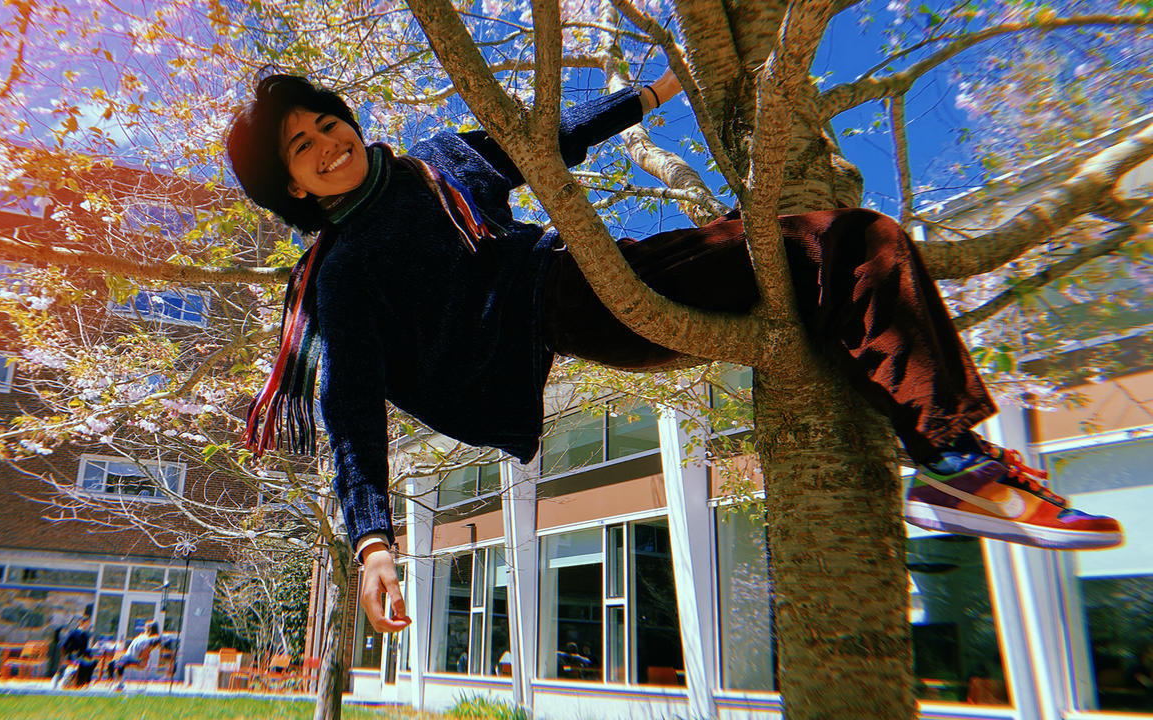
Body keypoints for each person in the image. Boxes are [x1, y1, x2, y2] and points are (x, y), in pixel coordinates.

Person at [226, 70, 1124, 634]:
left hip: (590, 272)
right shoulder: (339, 273)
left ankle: (944, 453)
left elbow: (548, 140)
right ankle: (955, 460)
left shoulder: (434, 161)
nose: (326, 143)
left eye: (324, 121)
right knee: (845, 242)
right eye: (301, 149)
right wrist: (372, 541)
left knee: (843, 244)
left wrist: (658, 91)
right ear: (296, 187)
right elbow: (349, 407)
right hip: (563, 306)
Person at [107, 621, 173, 690]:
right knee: (114, 663)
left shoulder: (149, 640)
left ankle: (118, 683)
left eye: (146, 628)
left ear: (149, 629)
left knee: (118, 663)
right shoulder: (144, 637)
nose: (145, 629)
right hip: (130, 656)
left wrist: (143, 659)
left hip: (136, 659)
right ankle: (117, 683)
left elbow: (145, 653)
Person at [57, 615, 98, 689]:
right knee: (83, 663)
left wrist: (91, 653)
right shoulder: (73, 633)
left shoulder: (86, 635)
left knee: (92, 662)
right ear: (82, 623)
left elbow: (84, 649)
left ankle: (83, 682)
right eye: (87, 623)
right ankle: (69, 681)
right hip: (72, 655)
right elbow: (63, 645)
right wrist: (66, 654)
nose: (88, 625)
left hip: (81, 656)